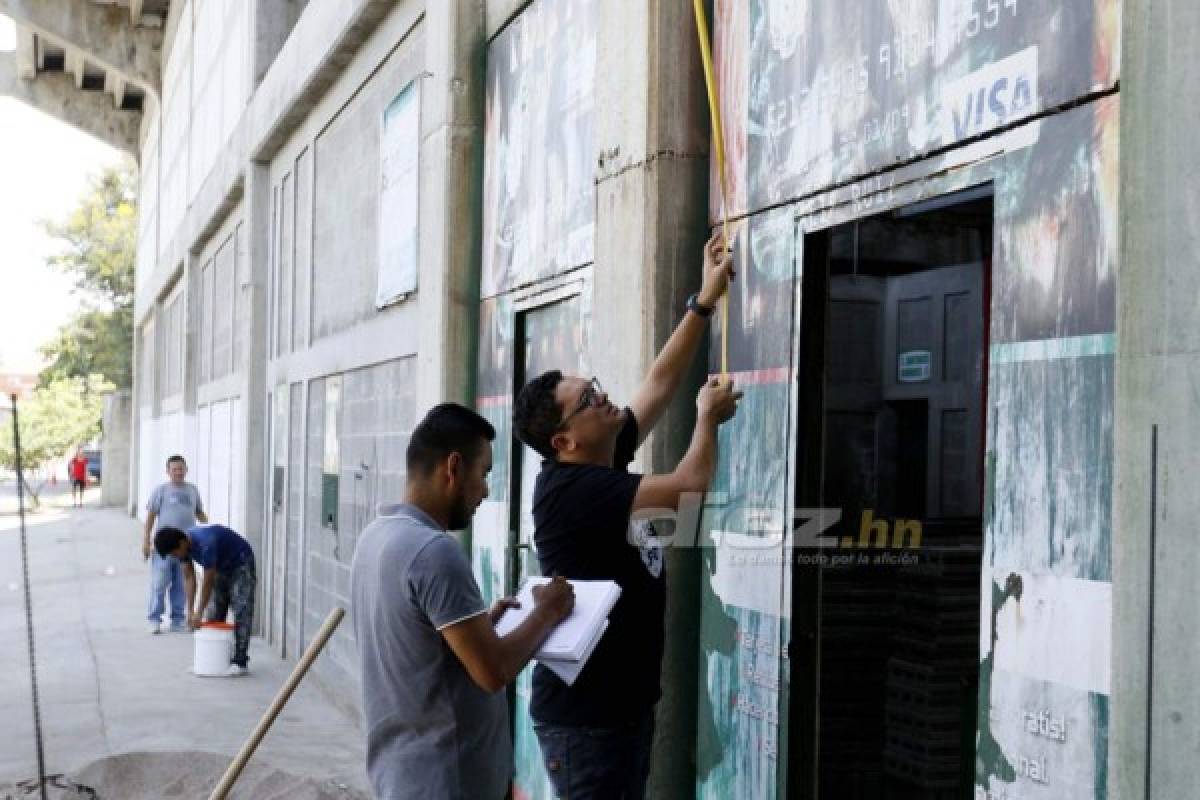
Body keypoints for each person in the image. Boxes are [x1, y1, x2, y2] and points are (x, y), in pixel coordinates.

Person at [512, 230, 741, 799]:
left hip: (615, 710)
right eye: (588, 400)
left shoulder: (601, 458)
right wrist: (706, 421)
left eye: (596, 388)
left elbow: (659, 383)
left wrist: (703, 302)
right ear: (563, 440)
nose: (604, 398)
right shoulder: (574, 489)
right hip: (588, 719)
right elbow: (689, 487)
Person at [351, 403, 576, 800]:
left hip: (403, 776)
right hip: (446, 782)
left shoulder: (376, 538)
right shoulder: (434, 551)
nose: (486, 491)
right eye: (484, 474)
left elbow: (417, 642)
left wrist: (480, 626)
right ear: (453, 467)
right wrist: (547, 611)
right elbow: (493, 670)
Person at [154, 523, 256, 676]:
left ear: (181, 543)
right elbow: (189, 578)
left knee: (242, 610)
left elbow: (207, 582)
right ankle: (216, 660)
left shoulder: (206, 543)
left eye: (175, 553)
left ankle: (240, 662)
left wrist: (199, 612)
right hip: (221, 566)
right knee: (214, 615)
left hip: (240, 564)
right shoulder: (184, 549)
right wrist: (190, 610)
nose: (176, 557)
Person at [142, 455, 207, 634]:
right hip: (164, 547)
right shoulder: (161, 491)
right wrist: (146, 541)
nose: (178, 472)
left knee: (181, 583)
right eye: (174, 469)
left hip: (185, 547)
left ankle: (177, 619)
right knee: (159, 583)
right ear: (168, 471)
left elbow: (199, 512)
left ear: (186, 470)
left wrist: (204, 518)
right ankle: (154, 619)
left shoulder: (193, 490)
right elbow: (150, 518)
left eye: (181, 468)